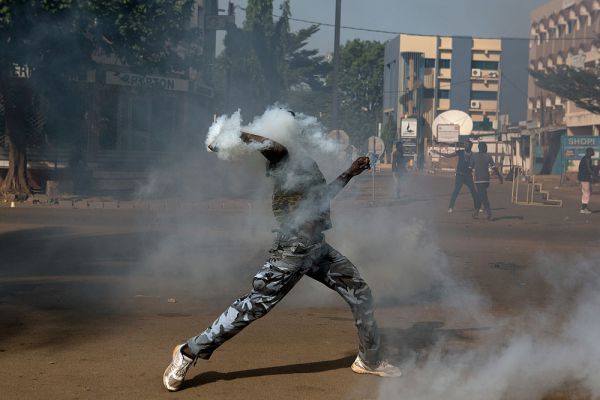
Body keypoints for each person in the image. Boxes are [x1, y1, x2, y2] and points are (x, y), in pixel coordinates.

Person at [163, 127, 402, 392]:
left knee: (360, 291)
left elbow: (321, 199)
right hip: (292, 251)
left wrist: (349, 173)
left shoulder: (308, 166)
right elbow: (272, 147)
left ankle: (369, 359)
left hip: (317, 250)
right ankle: (188, 351)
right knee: (252, 307)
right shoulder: (284, 160)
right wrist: (235, 135)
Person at [431, 140, 477, 213]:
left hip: (468, 176)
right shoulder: (460, 152)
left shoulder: (473, 155)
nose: (465, 146)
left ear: (471, 146)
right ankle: (450, 207)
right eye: (464, 144)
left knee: (473, 192)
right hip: (460, 175)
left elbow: (475, 165)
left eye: (467, 145)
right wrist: (438, 152)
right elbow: (448, 155)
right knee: (456, 191)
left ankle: (477, 207)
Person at [469, 142, 503, 220]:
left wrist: (468, 176)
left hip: (478, 180)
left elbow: (470, 168)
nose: (487, 148)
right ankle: (476, 213)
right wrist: (499, 177)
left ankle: (489, 213)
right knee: (481, 195)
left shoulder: (474, 156)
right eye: (486, 147)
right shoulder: (488, 156)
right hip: (486, 180)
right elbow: (494, 168)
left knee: (483, 196)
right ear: (483, 148)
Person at [578, 147, 595, 214]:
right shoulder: (587, 158)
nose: (593, 152)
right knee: (586, 193)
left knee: (587, 192)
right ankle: (583, 208)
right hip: (585, 178)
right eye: (592, 151)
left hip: (583, 178)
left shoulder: (585, 158)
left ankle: (584, 207)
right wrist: (593, 174)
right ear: (589, 152)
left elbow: (580, 167)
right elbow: (588, 169)